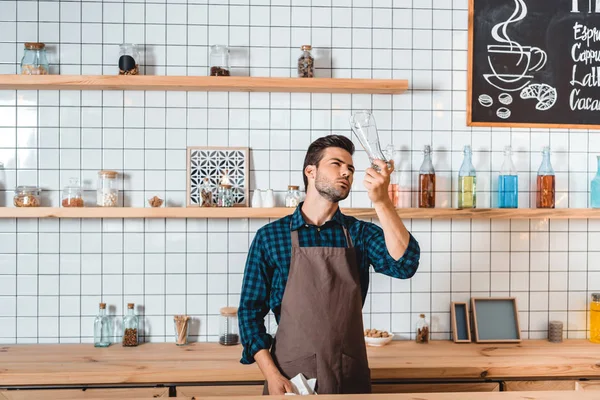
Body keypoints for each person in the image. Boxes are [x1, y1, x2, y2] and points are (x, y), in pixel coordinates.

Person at [238, 134, 420, 395]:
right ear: (310, 171)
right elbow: (249, 313)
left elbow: (405, 265)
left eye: (351, 168)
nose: (346, 172)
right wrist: (271, 374)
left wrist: (382, 201)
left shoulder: (360, 234)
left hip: (348, 373)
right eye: (336, 164)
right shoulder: (271, 237)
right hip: (291, 378)